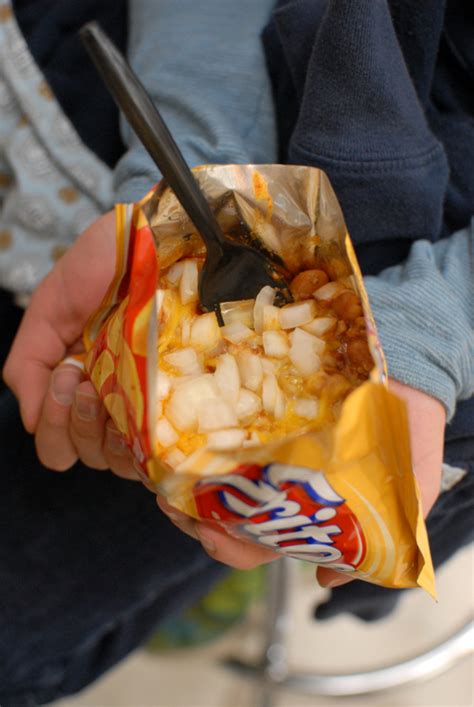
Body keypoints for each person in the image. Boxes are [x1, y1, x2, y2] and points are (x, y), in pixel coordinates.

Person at [1, 0, 473, 703]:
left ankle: (209, 599)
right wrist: (185, 195)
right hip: (114, 110)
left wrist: (430, 330)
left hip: (428, 384)